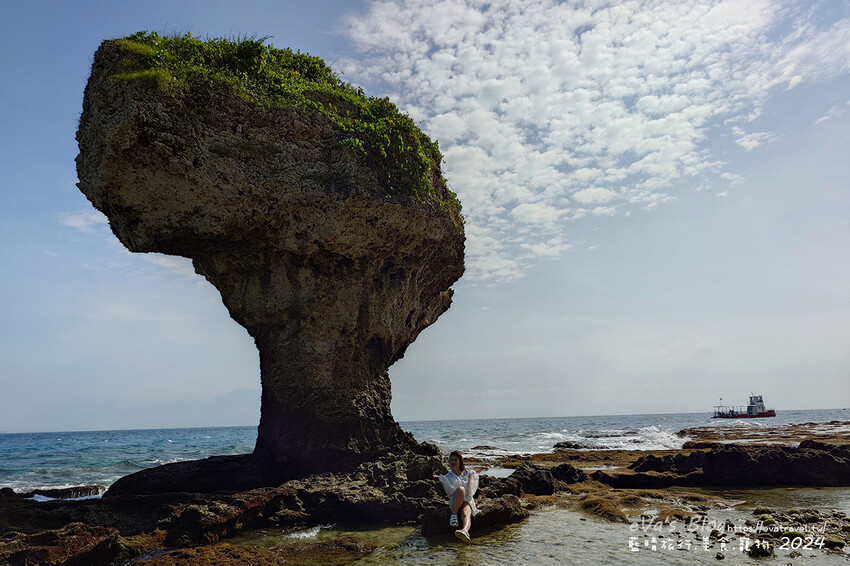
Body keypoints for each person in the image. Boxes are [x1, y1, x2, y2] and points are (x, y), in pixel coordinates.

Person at [434, 450, 479, 542]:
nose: (453, 462)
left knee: (466, 513)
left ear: (460, 461)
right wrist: (441, 478)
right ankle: (453, 515)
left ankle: (465, 531)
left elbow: (471, 492)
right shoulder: (448, 476)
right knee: (460, 489)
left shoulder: (467, 473)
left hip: (468, 500)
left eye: (455, 460)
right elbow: (450, 492)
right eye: (451, 460)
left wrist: (472, 475)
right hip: (455, 502)